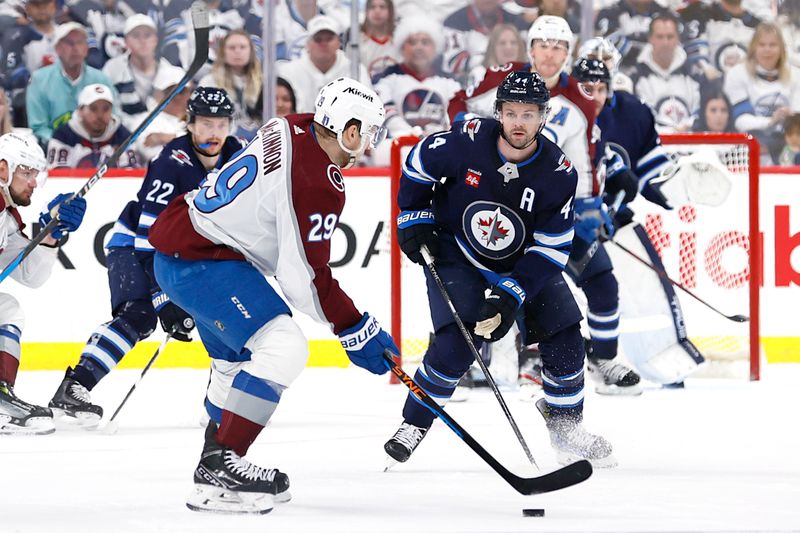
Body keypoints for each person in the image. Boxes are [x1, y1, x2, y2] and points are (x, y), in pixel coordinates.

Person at [147, 77, 398, 514]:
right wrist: (355, 326)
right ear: (351, 130)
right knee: (283, 345)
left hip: (185, 245)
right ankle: (222, 467)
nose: (368, 145)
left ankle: (213, 466)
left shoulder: (291, 125)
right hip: (201, 260)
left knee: (234, 362)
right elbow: (302, 277)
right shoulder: (319, 181)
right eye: (369, 133)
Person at [384, 70, 615, 469]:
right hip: (456, 251)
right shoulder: (468, 138)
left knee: (564, 336)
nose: (519, 123)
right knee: (457, 344)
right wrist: (415, 216)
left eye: (528, 114)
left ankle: (565, 427)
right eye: (510, 113)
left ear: (544, 117)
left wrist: (510, 293)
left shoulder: (559, 174)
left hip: (521, 260)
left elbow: (552, 247)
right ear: (499, 113)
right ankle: (414, 424)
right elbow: (419, 163)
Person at [47, 88, 242, 427]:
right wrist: (164, 296)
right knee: (139, 316)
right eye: (206, 124)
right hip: (135, 246)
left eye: (221, 124)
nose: (214, 133)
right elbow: (149, 237)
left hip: (193, 252)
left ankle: (222, 403)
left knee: (228, 314)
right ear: (190, 124)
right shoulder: (170, 162)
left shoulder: (238, 156)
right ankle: (74, 387)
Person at [0, 132, 87, 434]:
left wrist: (51, 230)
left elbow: (30, 275)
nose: (33, 182)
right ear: (3, 169)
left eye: (36, 174)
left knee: (7, 310)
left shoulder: (6, 219)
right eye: (26, 172)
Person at [26, 21, 118, 146]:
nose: (75, 48)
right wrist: (60, 143)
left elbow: (115, 117)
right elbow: (39, 127)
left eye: (80, 42)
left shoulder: (101, 79)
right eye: (69, 43)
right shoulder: (39, 79)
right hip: (54, 148)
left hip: (98, 147)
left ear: (86, 49)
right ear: (57, 48)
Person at [724, 22, 799, 164]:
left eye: (772, 45)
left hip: (786, 148)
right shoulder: (737, 74)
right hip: (747, 150)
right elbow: (741, 120)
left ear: (782, 49)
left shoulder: (795, 75)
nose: (767, 50)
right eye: (762, 45)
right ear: (753, 48)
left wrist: (791, 117)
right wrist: (771, 121)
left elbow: (797, 118)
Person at [372, 16, 460, 139]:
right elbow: (386, 114)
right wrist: (415, 136)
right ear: (402, 48)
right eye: (412, 42)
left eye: (425, 42)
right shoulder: (385, 79)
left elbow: (458, 116)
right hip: (398, 149)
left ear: (435, 48)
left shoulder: (450, 82)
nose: (419, 47)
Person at [277, 15, 371, 113]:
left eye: (329, 39)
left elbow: (368, 107)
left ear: (339, 43)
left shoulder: (356, 70)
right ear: (308, 44)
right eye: (318, 39)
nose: (323, 44)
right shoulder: (288, 72)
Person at [102, 14, 175, 130]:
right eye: (136, 36)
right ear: (126, 41)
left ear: (155, 40)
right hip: (122, 133)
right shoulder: (112, 69)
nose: (142, 41)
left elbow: (176, 114)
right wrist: (134, 127)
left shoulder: (170, 71)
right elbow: (107, 108)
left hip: (160, 134)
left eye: (147, 35)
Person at [632, 14, 701, 134]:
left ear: (678, 39)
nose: (665, 42)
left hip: (691, 141)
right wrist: (668, 131)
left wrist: (688, 126)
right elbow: (640, 115)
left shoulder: (693, 73)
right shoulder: (636, 76)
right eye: (660, 37)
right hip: (653, 144)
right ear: (650, 39)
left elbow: (700, 111)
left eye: (670, 37)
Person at [46, 83, 138, 169]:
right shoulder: (63, 136)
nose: (100, 115)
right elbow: (56, 175)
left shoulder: (123, 135)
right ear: (80, 110)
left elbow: (131, 173)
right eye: (93, 109)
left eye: (106, 109)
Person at [441, 0, 527, 82]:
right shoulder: (454, 22)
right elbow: (453, 61)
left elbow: (527, 55)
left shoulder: (517, 21)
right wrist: (489, 59)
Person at [199, 29, 262, 140]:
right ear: (223, 52)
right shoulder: (209, 82)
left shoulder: (263, 82)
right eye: (232, 48)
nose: (237, 51)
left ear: (251, 51)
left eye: (242, 47)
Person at [133, 64, 191, 163]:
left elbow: (208, 145)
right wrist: (190, 141)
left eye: (181, 91)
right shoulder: (144, 121)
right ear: (158, 94)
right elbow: (154, 155)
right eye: (170, 91)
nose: (177, 97)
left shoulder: (199, 119)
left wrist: (166, 138)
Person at [467, 23, 527, 87]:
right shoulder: (480, 74)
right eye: (502, 43)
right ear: (492, 48)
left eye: (513, 42)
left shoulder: (531, 75)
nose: (508, 47)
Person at [359, 0, 400, 78]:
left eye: (382, 7)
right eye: (372, 7)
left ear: (390, 11)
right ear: (366, 12)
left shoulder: (400, 39)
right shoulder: (356, 40)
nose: (377, 11)